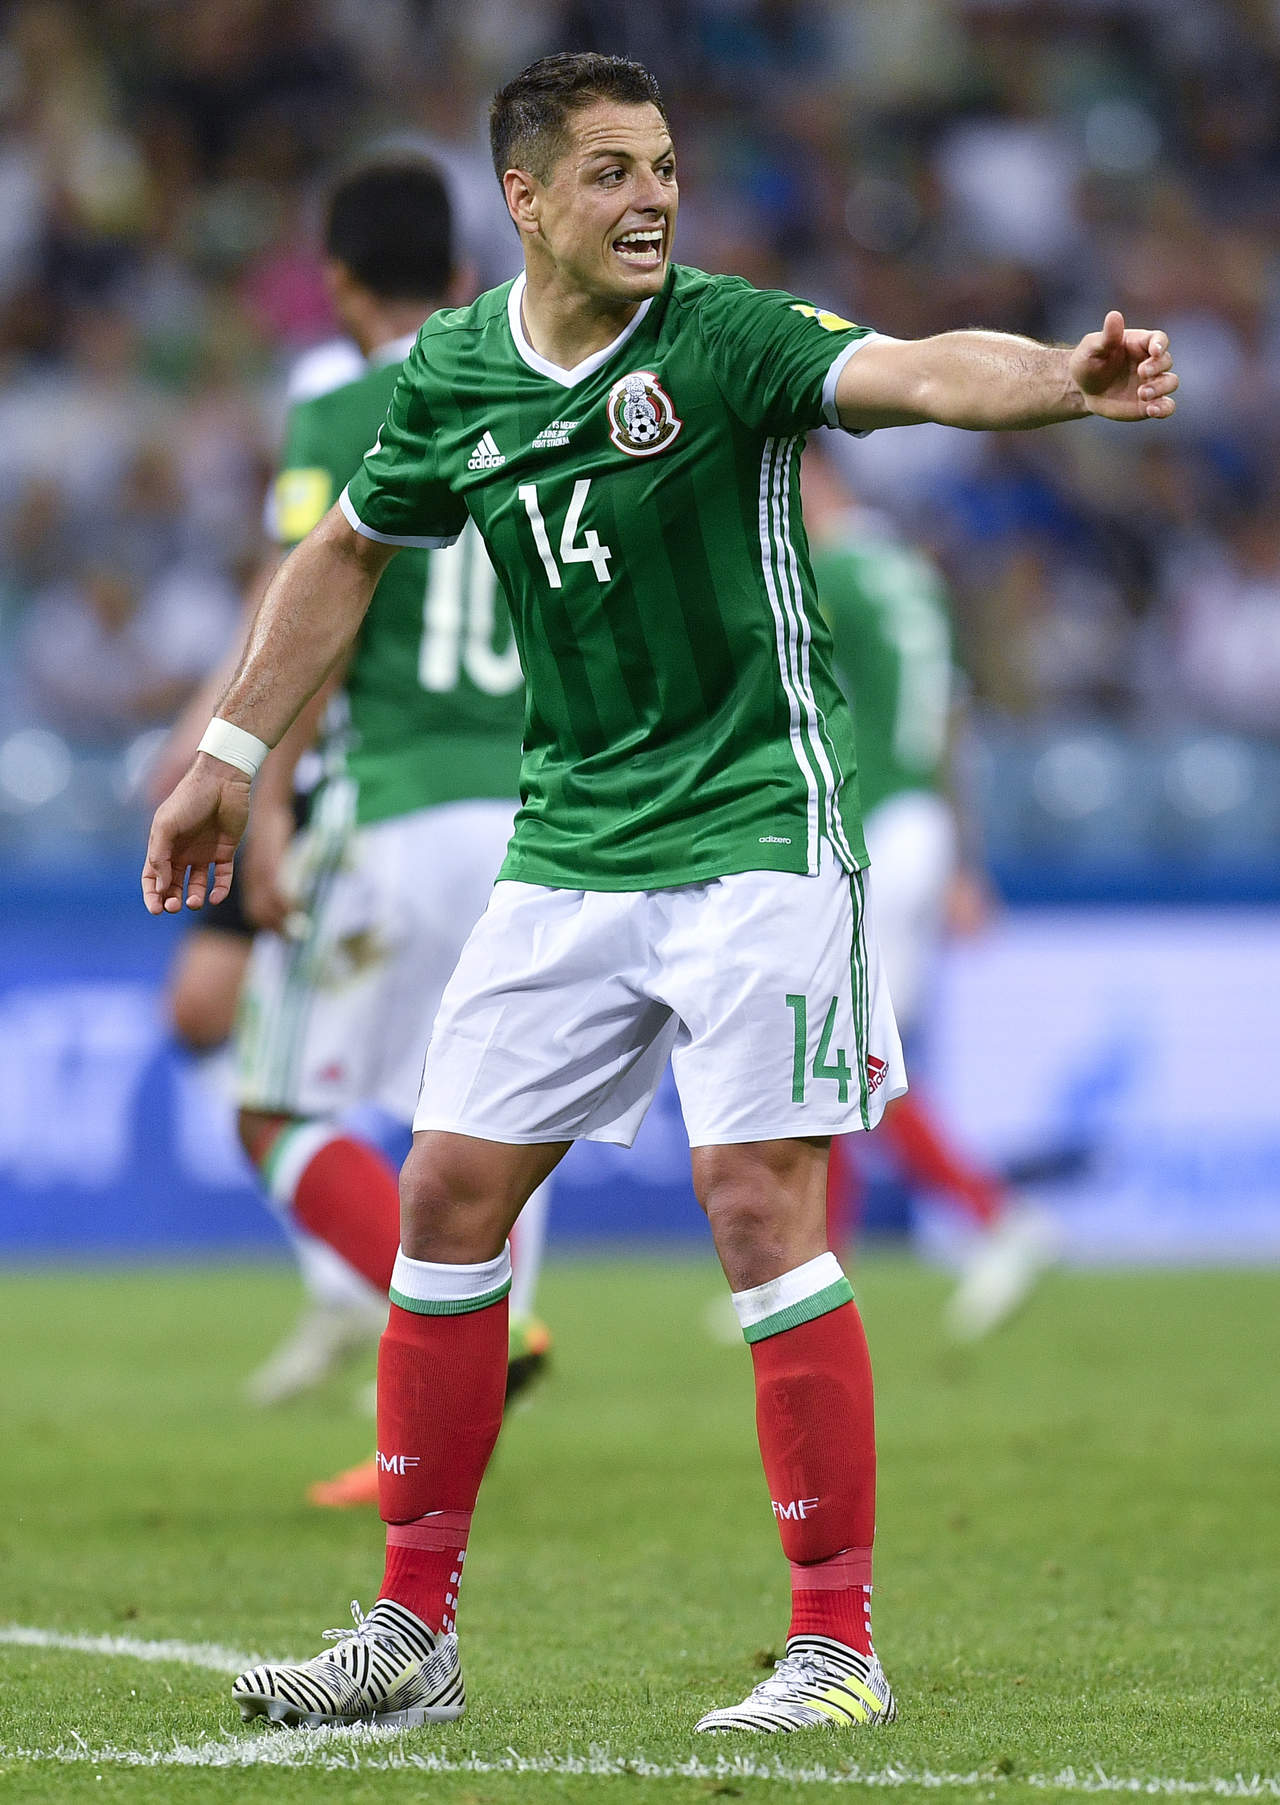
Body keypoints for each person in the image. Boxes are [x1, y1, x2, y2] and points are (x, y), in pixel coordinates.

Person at [142, 52, 1178, 1736]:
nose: (653, 200)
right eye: (613, 172)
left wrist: (1061, 377)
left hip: (761, 819)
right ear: (525, 198)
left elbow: (916, 368)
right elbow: (343, 552)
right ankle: (410, 1636)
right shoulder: (458, 371)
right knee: (446, 1195)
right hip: (569, 838)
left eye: (667, 169)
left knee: (757, 1199)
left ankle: (835, 1646)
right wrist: (233, 752)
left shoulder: (724, 337)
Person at [803, 446, 1060, 1339]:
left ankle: (996, 1218)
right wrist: (962, 860)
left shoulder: (832, 573)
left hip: (874, 823)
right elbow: (951, 720)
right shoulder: (910, 571)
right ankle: (819, 1267)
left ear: (814, 477)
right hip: (922, 824)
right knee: (846, 1052)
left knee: (856, 1056)